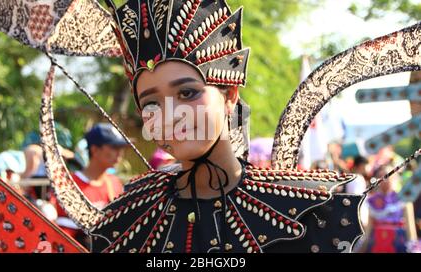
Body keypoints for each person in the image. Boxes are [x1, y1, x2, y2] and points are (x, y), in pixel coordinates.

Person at [85, 0, 364, 253]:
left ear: (230, 95)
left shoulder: (308, 212)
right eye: (151, 105)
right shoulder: (125, 221)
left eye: (187, 93)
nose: (170, 116)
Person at [52, 123, 126, 243]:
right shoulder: (68, 184)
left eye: (121, 148)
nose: (119, 153)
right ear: (95, 150)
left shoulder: (114, 183)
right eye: (114, 147)